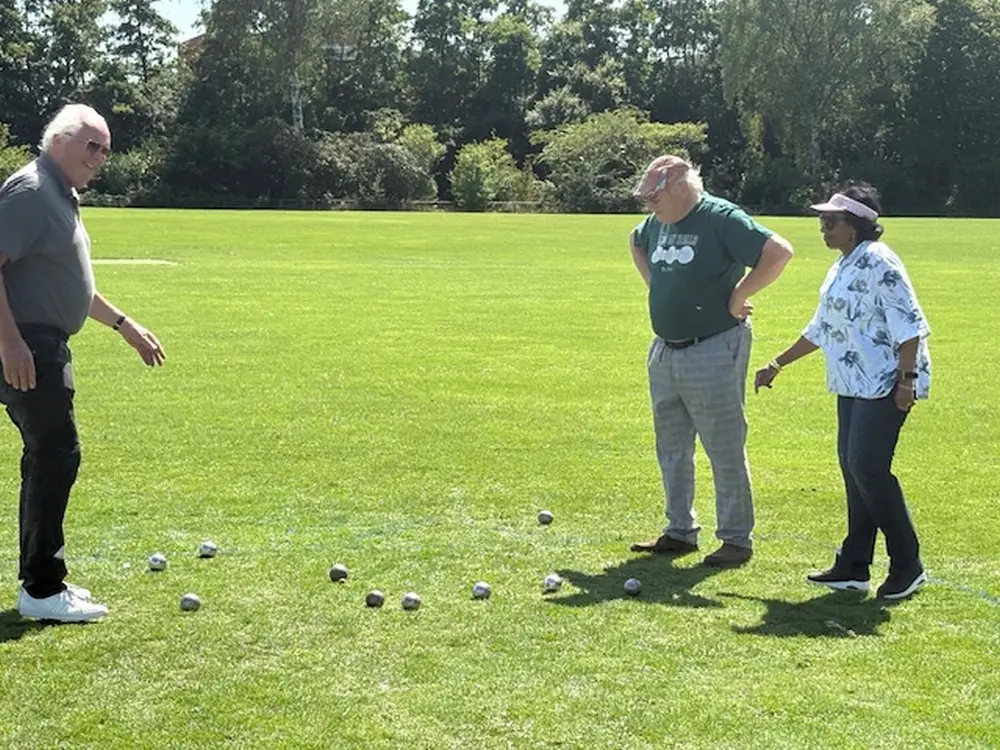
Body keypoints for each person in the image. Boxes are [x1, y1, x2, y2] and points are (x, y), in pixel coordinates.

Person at [0, 104, 166, 622]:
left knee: (51, 453)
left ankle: (43, 581)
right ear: (58, 140)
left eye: (105, 150)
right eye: (90, 145)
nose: (98, 158)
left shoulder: (59, 196)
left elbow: (68, 281)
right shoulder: (32, 191)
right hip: (27, 343)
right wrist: (10, 343)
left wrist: (123, 325)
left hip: (39, 341)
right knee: (55, 453)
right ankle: (42, 588)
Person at [753, 182, 930, 600]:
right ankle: (854, 565)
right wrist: (777, 363)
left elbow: (910, 325)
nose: (823, 228)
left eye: (831, 222)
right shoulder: (843, 265)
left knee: (868, 467)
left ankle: (908, 565)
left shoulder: (880, 261)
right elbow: (821, 328)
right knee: (853, 468)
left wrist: (906, 381)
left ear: (854, 225)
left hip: (885, 382)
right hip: (852, 382)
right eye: (823, 221)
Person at [629, 155, 794, 567]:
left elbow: (778, 252)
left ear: (679, 186)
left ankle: (736, 539)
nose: (648, 205)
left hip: (714, 346)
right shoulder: (656, 223)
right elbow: (636, 241)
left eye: (653, 197)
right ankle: (679, 530)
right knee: (671, 446)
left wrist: (739, 294)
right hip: (665, 350)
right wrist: (656, 286)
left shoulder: (721, 218)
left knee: (723, 445)